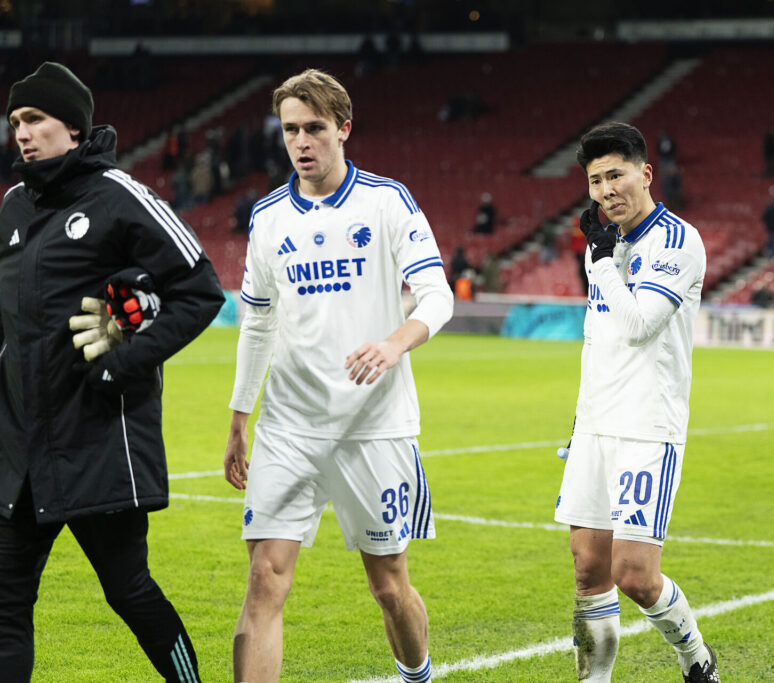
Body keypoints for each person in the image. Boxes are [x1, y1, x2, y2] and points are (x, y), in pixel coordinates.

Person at [223, 69, 453, 683]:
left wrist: (395, 343)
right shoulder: (268, 217)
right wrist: (241, 416)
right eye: (291, 129)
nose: (301, 141)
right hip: (289, 427)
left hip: (372, 426)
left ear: (343, 129)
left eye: (314, 129)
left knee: (387, 584)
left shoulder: (386, 201)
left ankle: (416, 674)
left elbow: (437, 295)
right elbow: (258, 324)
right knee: (264, 579)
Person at [0, 62, 224, 681]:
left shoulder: (119, 195)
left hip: (98, 440)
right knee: (6, 607)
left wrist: (120, 366)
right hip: (22, 453)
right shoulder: (14, 206)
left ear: (72, 127)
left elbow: (200, 291)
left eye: (35, 119)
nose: (21, 132)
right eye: (16, 120)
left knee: (128, 591)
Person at [554, 122, 718, 683]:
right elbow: (597, 338)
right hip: (595, 427)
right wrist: (580, 421)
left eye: (616, 175)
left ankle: (696, 658)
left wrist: (601, 262)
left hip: (647, 426)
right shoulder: (607, 245)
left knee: (636, 575)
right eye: (595, 181)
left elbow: (643, 325)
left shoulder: (678, 241)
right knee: (587, 570)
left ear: (645, 174)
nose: (605, 191)